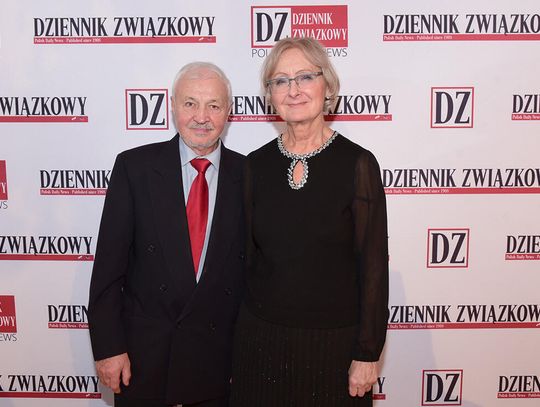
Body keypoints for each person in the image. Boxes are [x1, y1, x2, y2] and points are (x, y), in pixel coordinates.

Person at [230, 37, 389, 407]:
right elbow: (246, 261)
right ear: (270, 95)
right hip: (260, 343)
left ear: (327, 86)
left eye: (305, 76)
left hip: (334, 348)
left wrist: (367, 354)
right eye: (280, 81)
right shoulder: (255, 166)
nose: (293, 90)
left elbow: (373, 267)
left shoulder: (358, 164)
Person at [88, 62, 245, 407]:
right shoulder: (134, 168)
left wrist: (248, 359)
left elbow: (255, 279)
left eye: (213, 105)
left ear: (229, 112)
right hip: (144, 361)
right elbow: (108, 271)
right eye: (190, 103)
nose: (201, 117)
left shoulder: (249, 175)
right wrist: (109, 348)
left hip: (218, 365)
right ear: (172, 106)